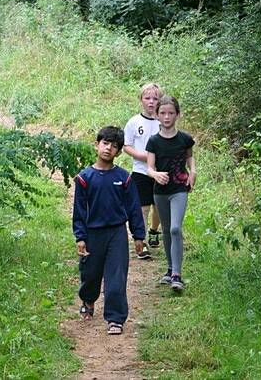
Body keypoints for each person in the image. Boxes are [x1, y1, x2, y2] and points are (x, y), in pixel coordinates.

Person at [73, 126, 146, 335]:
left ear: (119, 152)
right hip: (92, 232)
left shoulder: (124, 178)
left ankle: (115, 318)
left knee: (116, 276)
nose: (108, 149)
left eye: (114, 146)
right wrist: (80, 237)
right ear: (96, 145)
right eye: (105, 144)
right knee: (91, 274)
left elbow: (133, 208)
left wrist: (138, 235)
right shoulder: (84, 178)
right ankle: (88, 300)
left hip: (117, 233)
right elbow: (79, 211)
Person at [146, 96, 196, 292]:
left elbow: (190, 158)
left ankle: (177, 274)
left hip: (179, 189)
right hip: (160, 191)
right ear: (157, 116)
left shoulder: (185, 139)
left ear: (178, 114)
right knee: (166, 229)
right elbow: (149, 168)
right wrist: (156, 174)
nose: (167, 117)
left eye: (171, 113)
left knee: (176, 228)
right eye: (163, 113)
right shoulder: (153, 141)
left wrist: (193, 171)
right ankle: (169, 269)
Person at [123, 83, 163, 259]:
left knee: (159, 206)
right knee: (142, 208)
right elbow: (126, 146)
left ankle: (154, 231)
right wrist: (142, 156)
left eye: (155, 98)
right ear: (141, 100)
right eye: (147, 98)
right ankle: (142, 240)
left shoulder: (163, 121)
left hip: (162, 172)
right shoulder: (134, 122)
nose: (151, 102)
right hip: (141, 171)